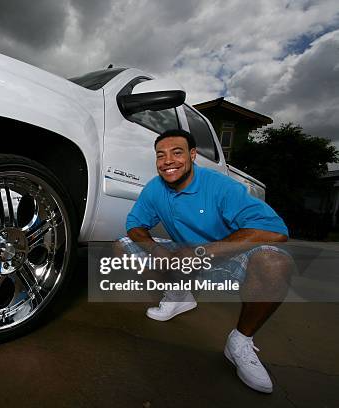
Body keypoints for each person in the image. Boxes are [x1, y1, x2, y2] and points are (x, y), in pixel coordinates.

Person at [121, 128, 293, 393]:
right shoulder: (155, 188)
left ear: (192, 156)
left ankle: (239, 342)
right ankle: (179, 295)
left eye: (177, 153)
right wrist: (155, 250)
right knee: (123, 247)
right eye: (160, 155)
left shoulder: (221, 187)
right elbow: (134, 224)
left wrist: (203, 252)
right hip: (187, 259)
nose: (168, 161)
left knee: (274, 263)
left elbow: (276, 231)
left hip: (223, 258)